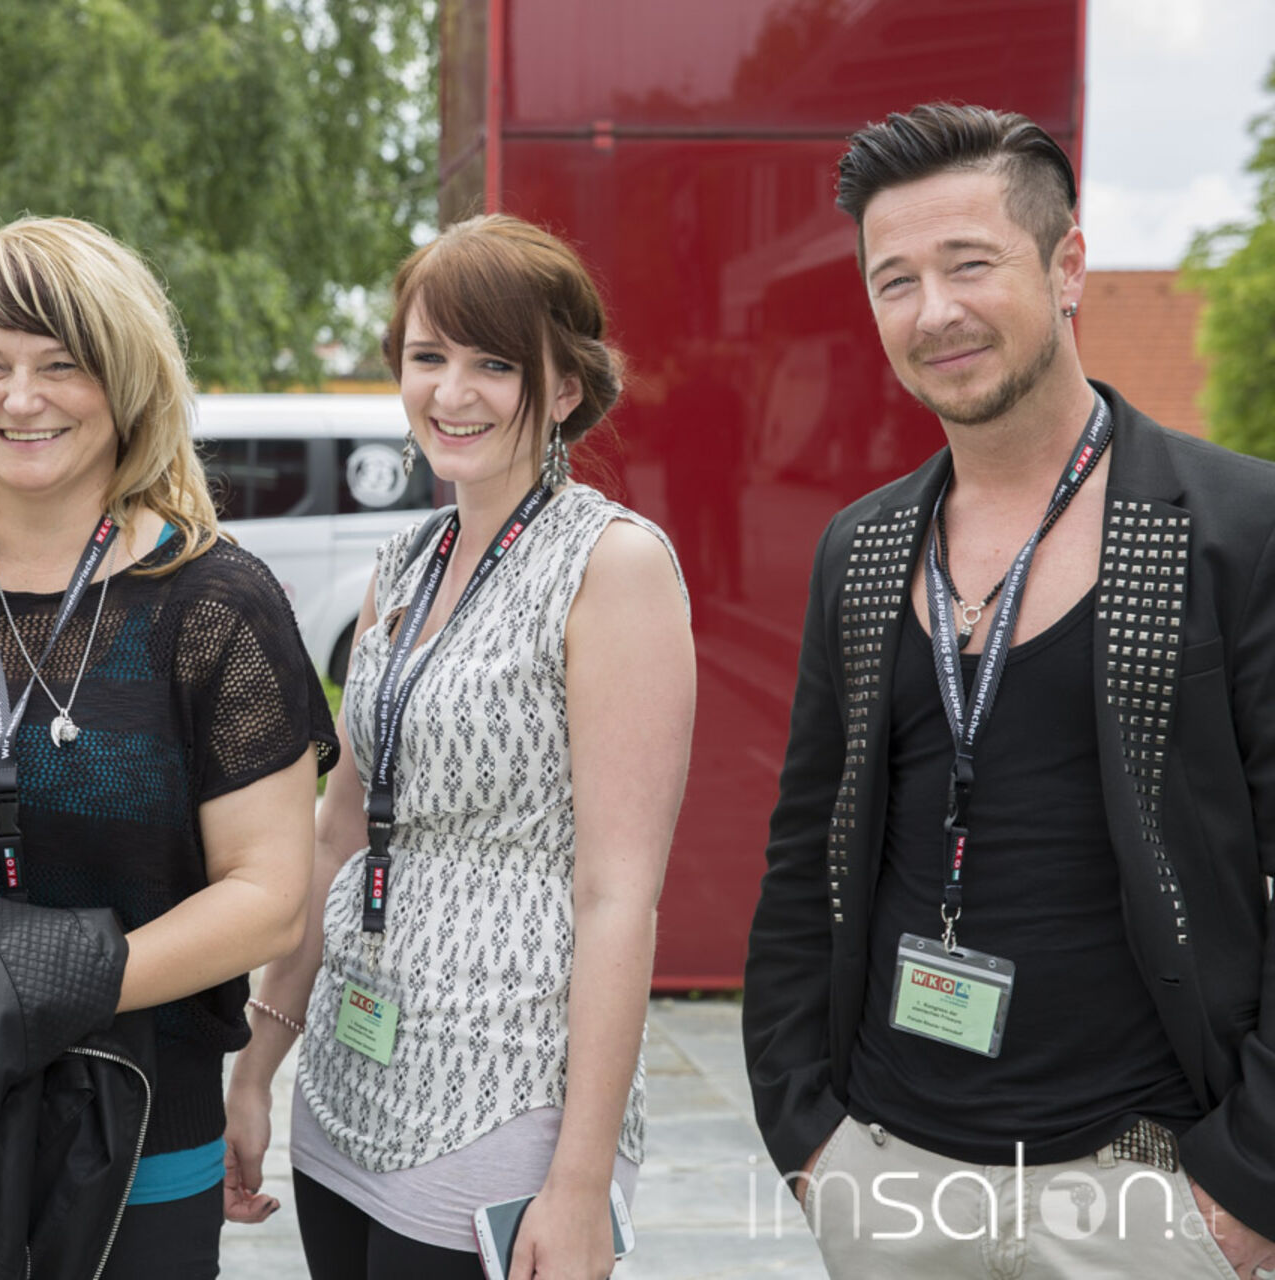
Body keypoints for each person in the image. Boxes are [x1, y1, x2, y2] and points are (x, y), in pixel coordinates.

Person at [743, 102, 1275, 1279]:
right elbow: (803, 853)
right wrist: (810, 1137)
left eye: (969, 263)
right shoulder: (861, 549)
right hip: (890, 1177)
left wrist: (1247, 1183)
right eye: (894, 280)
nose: (933, 310)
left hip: (1143, 1190)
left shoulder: (1237, 529)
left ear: (1067, 263)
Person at [225, 213, 696, 1280]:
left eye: (495, 363)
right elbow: (341, 834)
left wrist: (580, 1183)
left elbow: (618, 894)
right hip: (347, 1076)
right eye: (428, 355)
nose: (453, 391)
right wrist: (257, 1065)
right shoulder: (404, 561)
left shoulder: (611, 566)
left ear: (564, 386)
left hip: (504, 1095)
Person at [0, 215, 337, 1279]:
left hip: (141, 1135)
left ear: (126, 381)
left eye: (60, 365)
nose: (20, 399)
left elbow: (269, 896)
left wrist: (41, 986)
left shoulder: (215, 604)